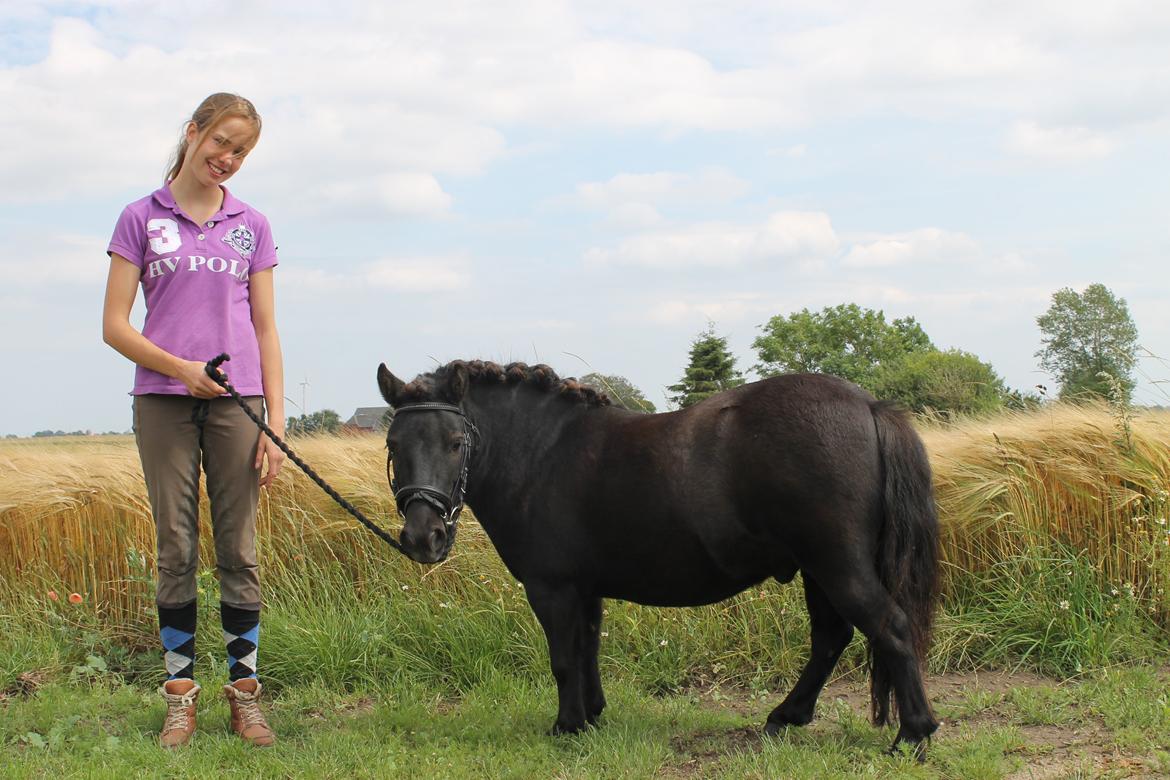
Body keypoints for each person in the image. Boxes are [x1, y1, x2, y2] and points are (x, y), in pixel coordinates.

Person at [102, 92, 285, 748]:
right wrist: (180, 369)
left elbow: (266, 327)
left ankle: (245, 696)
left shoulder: (252, 225)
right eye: (222, 142)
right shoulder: (138, 218)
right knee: (176, 547)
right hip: (163, 401)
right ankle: (180, 696)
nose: (228, 159)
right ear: (194, 131)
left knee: (239, 549)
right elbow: (114, 326)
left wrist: (277, 426)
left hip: (241, 405)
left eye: (241, 152)